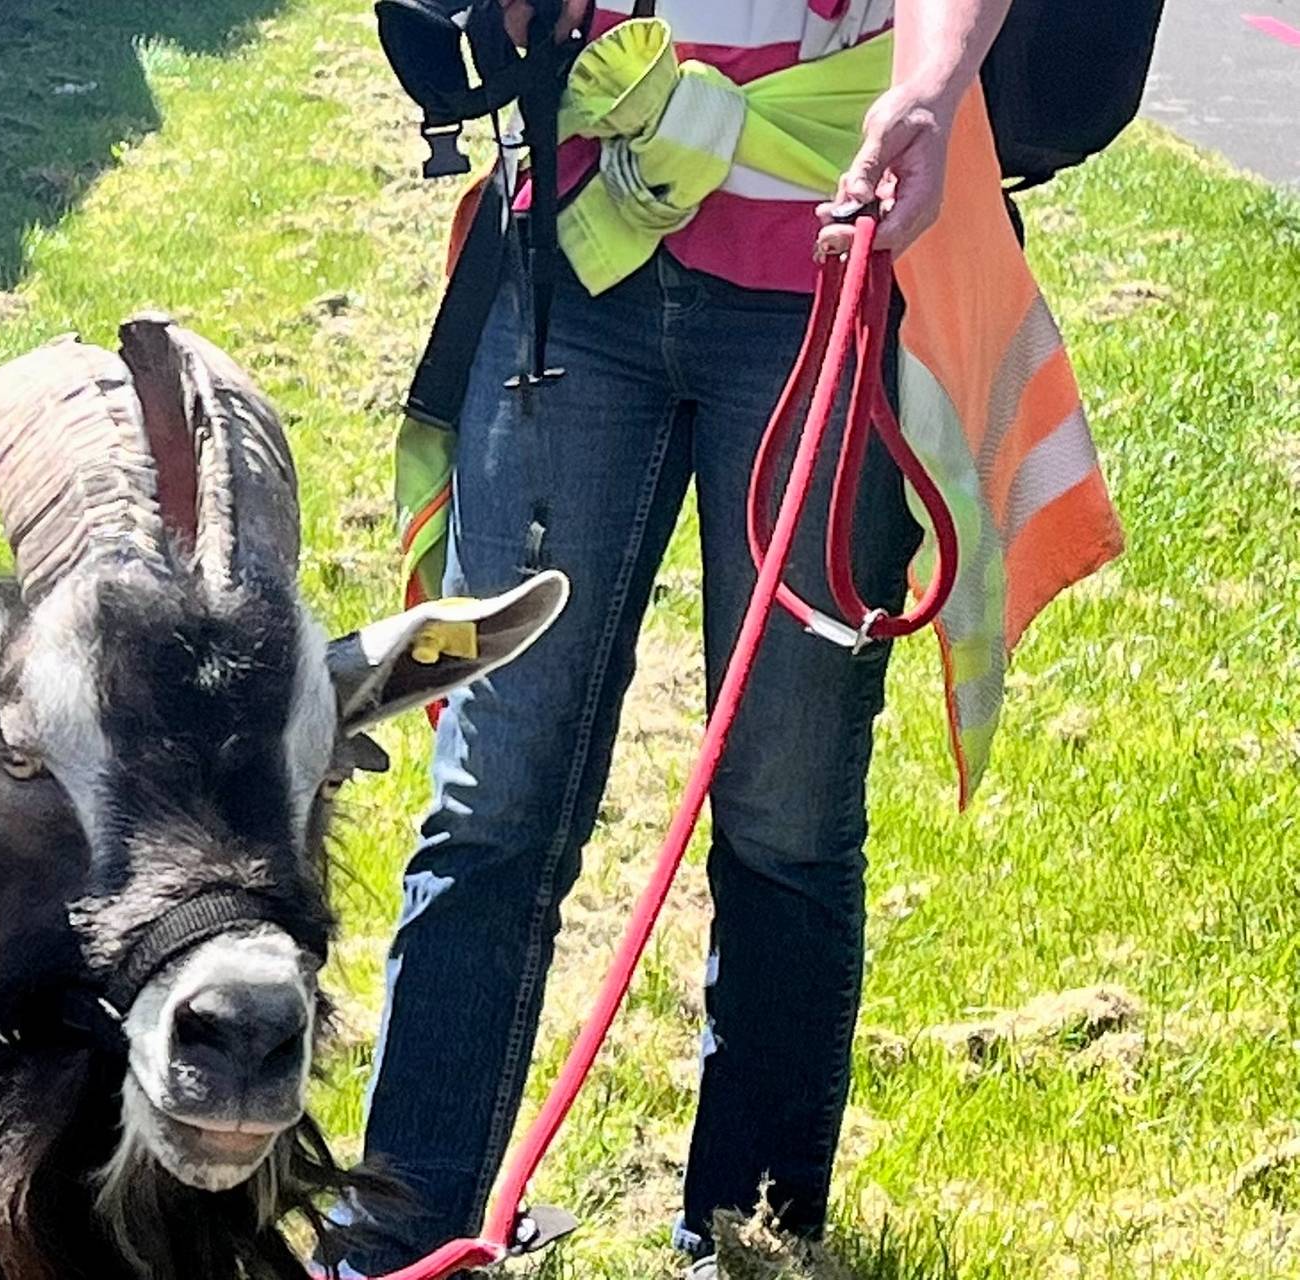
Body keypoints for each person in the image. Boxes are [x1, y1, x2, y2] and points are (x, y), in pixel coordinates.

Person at [344, 0, 1102, 1273]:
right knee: (493, 800)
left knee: (787, 815)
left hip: (835, 250)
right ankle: (397, 1240)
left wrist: (930, 83)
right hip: (579, 246)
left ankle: (747, 1245)